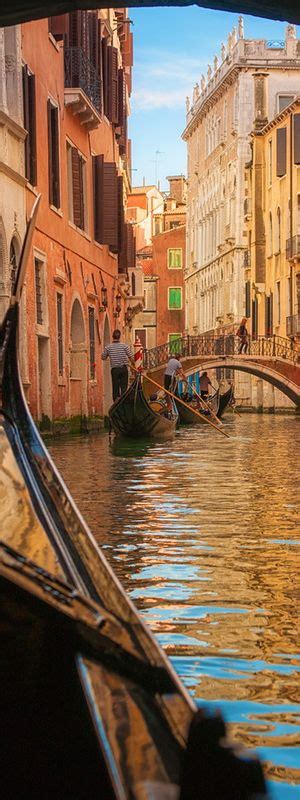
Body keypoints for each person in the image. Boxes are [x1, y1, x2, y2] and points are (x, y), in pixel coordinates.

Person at [101, 330, 135, 401]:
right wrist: (133, 366)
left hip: (115, 370)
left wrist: (108, 354)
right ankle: (123, 402)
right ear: (119, 337)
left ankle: (116, 402)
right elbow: (131, 357)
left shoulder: (108, 347)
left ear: (113, 337)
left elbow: (103, 357)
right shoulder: (125, 346)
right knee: (124, 388)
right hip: (123, 369)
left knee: (115, 388)